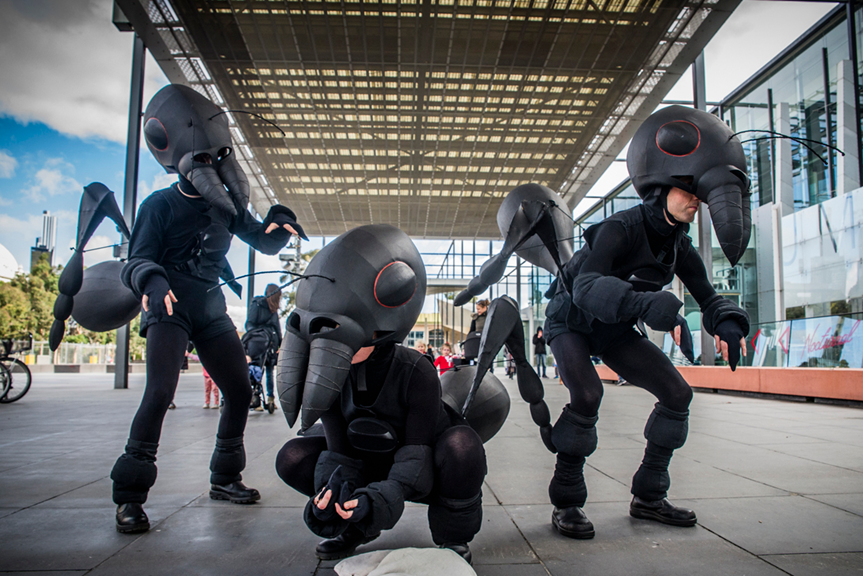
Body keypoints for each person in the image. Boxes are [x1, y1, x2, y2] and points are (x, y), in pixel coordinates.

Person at [543, 106, 751, 539]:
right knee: (586, 394)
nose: (696, 199)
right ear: (661, 187)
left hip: (614, 328)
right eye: (688, 189)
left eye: (700, 193)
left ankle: (649, 495)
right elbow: (585, 287)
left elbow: (707, 295)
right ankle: (567, 501)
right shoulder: (618, 228)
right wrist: (648, 303)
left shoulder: (678, 245)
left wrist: (727, 321)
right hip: (572, 322)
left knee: (677, 393)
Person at [110, 84, 307, 534]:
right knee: (159, 393)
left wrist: (279, 223)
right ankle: (129, 497)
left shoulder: (228, 210)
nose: (210, 165)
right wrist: (153, 280)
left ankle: (225, 478)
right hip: (169, 307)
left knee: (238, 390)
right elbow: (135, 261)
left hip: (212, 308)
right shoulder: (158, 206)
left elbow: (262, 238)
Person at [275, 225, 486, 563]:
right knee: (292, 457)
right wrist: (335, 496)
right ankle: (354, 524)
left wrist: (383, 497)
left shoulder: (417, 370)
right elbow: (338, 448)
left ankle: (452, 534)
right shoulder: (330, 371)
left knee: (463, 448)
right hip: (367, 455)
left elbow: (415, 454)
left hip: (426, 459)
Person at [245, 283, 283, 413]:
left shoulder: (270, 309)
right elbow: (250, 323)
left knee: (265, 371)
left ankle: (267, 398)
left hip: (268, 343)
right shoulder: (259, 304)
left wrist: (280, 345)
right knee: (262, 371)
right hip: (260, 342)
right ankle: (260, 397)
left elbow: (277, 328)